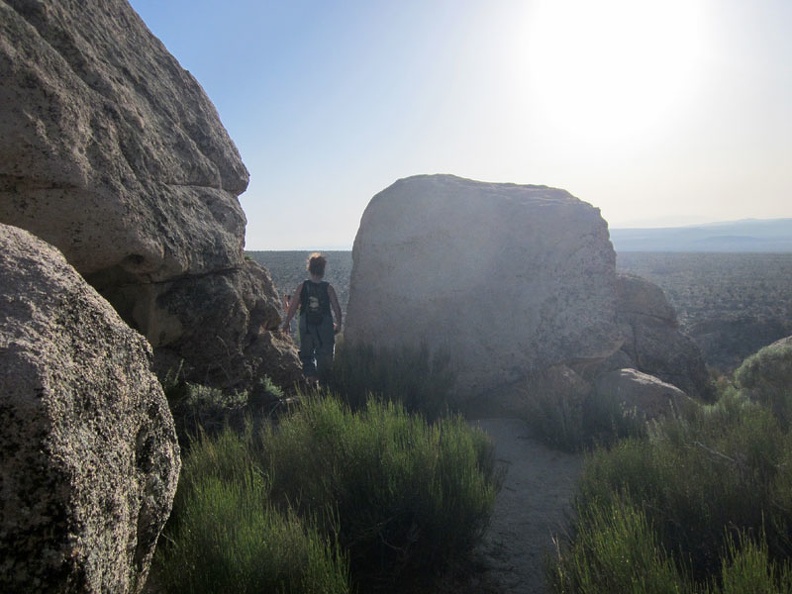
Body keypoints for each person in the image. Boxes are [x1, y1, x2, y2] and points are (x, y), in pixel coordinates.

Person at [282, 253, 343, 384]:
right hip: (325, 326)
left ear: (309, 268)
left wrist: (287, 323)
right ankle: (324, 384)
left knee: (307, 354)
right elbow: (337, 308)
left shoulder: (303, 286)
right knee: (325, 355)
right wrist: (339, 324)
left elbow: (293, 308)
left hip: (307, 325)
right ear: (323, 269)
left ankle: (311, 381)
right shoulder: (328, 288)